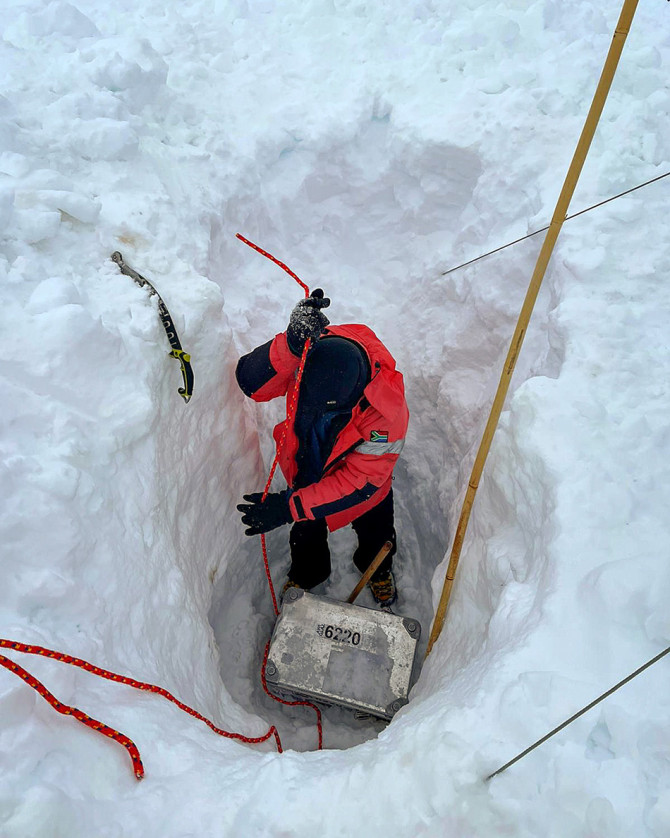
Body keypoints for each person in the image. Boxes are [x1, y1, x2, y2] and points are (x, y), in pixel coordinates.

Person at [235, 289, 409, 606]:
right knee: (306, 536)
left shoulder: (388, 416)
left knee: (377, 532)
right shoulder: (309, 352)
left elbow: (358, 484)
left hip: (367, 493)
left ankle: (377, 570)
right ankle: (309, 573)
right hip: (305, 469)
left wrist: (288, 507)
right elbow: (250, 382)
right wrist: (289, 345)